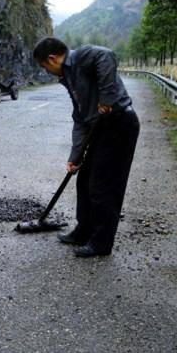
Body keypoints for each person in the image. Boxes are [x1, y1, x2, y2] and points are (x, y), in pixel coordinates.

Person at [33, 37, 140, 258]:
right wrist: (76, 156)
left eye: (44, 66)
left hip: (119, 125)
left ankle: (101, 243)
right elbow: (81, 119)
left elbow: (107, 55)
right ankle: (84, 231)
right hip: (100, 129)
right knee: (84, 182)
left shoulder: (82, 57)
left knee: (104, 186)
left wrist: (108, 96)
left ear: (52, 59)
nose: (46, 71)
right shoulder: (69, 78)